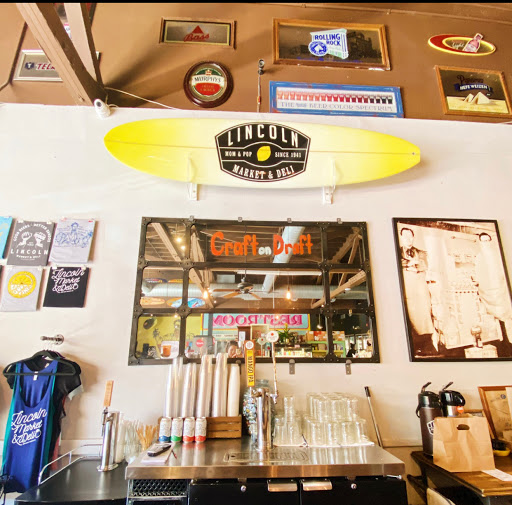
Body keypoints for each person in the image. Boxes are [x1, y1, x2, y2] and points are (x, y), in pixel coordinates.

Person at [399, 227, 437, 357]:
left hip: (421, 290)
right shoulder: (396, 253)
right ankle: (415, 347)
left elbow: (425, 265)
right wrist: (409, 264)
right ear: (401, 237)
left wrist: (414, 265)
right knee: (410, 316)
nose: (408, 239)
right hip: (407, 291)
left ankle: (428, 345)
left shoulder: (421, 253)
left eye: (410, 236)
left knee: (425, 314)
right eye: (405, 236)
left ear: (413, 237)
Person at [473, 232, 512, 357]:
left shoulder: (499, 256)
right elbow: (479, 276)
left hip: (502, 293)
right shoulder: (479, 258)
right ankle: (504, 348)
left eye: (487, 240)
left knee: (508, 319)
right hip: (489, 296)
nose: (485, 243)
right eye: (483, 241)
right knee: (497, 325)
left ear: (490, 241)